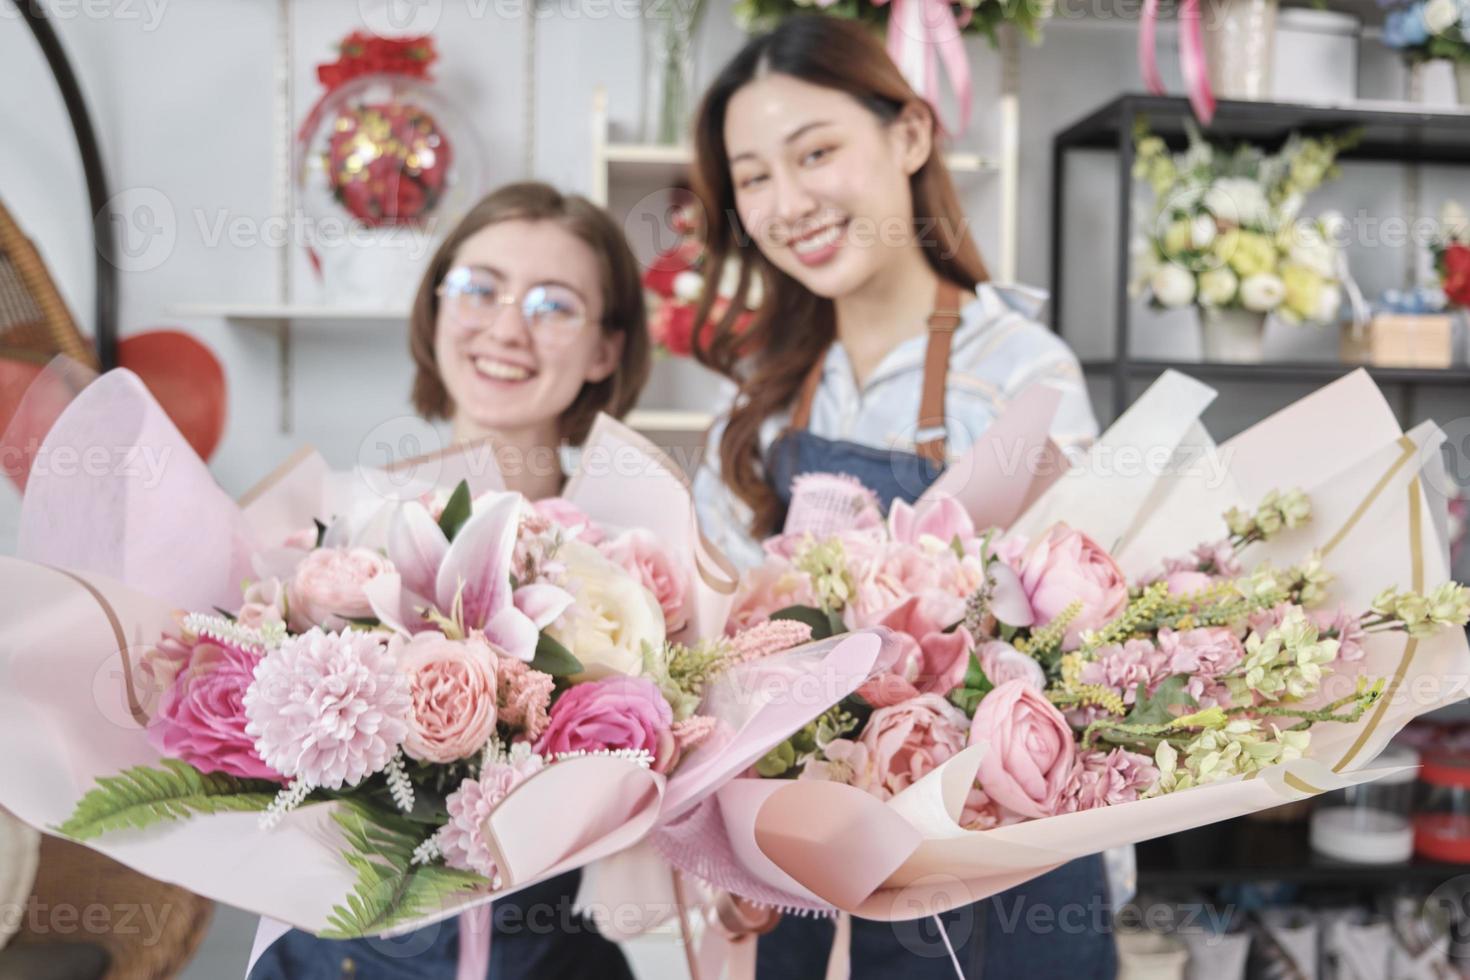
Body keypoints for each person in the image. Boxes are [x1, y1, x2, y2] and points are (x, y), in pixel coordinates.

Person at [687, 16, 1115, 978]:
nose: (787, 200)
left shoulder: (1019, 375)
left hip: (994, 872)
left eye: (817, 152)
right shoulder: (754, 394)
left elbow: (1087, 653)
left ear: (910, 136)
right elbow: (712, 653)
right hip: (796, 863)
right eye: (753, 177)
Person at [248, 181, 649, 980]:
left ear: (606, 349)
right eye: (478, 289)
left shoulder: (635, 567)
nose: (506, 327)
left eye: (554, 304)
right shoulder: (339, 527)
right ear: (435, 311)